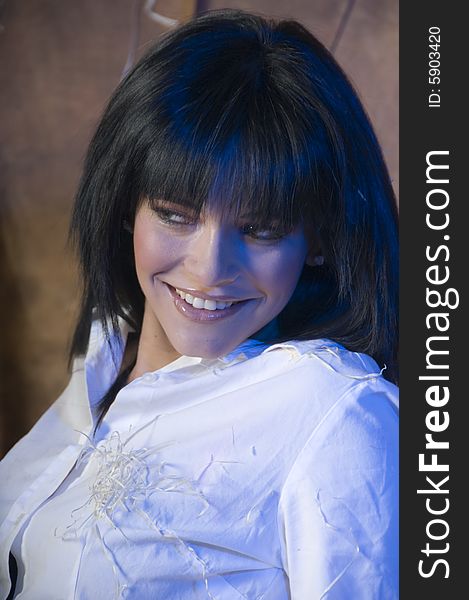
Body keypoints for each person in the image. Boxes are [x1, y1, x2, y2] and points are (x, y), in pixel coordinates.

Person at [0, 8, 398, 599]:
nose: (209, 270)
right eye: (175, 215)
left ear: (319, 241)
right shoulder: (104, 354)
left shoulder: (336, 411)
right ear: (125, 206)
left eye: (261, 229)